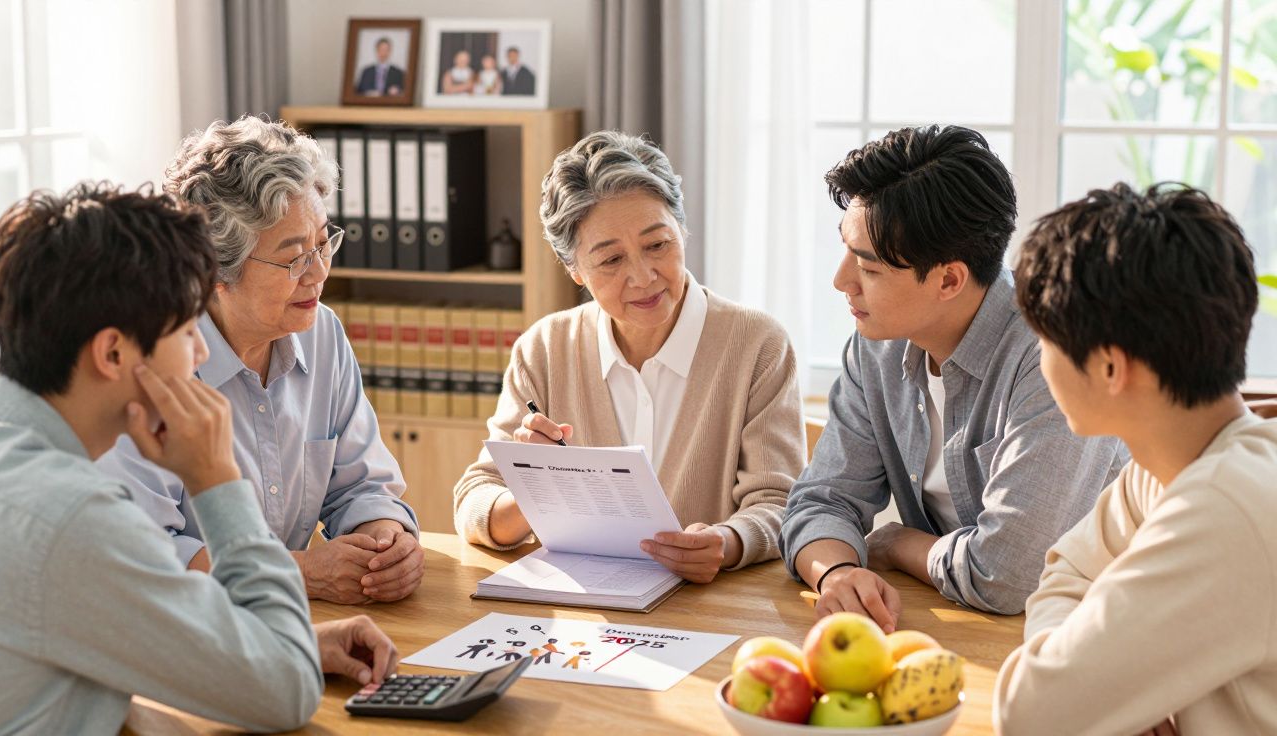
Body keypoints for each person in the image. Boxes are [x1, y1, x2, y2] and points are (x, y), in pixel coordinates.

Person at [0, 183, 400, 734]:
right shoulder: (75, 519)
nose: (199, 352)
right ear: (114, 353)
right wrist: (217, 481)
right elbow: (286, 694)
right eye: (186, 329)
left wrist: (277, 647)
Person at [779, 125, 1127, 628]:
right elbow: (821, 500)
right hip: (956, 627)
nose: (841, 281)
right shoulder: (876, 347)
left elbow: (1007, 576)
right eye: (845, 250)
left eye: (869, 269)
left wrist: (899, 543)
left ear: (948, 279)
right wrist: (836, 572)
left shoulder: (1056, 355)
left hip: (1082, 634)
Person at [453, 130, 807, 583]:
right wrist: (537, 489)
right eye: (611, 260)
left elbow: (782, 503)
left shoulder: (758, 344)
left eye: (658, 245)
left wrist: (727, 543)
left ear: (682, 230)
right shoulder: (543, 349)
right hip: (585, 619)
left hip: (711, 610)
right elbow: (475, 499)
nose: (643, 277)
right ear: (574, 269)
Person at [97, 117, 423, 605]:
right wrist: (304, 572)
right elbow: (143, 555)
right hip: (189, 636)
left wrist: (387, 546)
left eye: (322, 243)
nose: (317, 273)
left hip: (293, 627)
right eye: (293, 258)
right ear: (215, 271)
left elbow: (361, 487)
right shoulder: (151, 368)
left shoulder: (322, 335)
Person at [994, 183, 1277, 735]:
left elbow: (1030, 714)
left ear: (1108, 368)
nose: (1039, 358)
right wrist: (1114, 696)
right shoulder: (1169, 466)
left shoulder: (1224, 508)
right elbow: (1066, 571)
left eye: (1044, 339)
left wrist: (1090, 690)